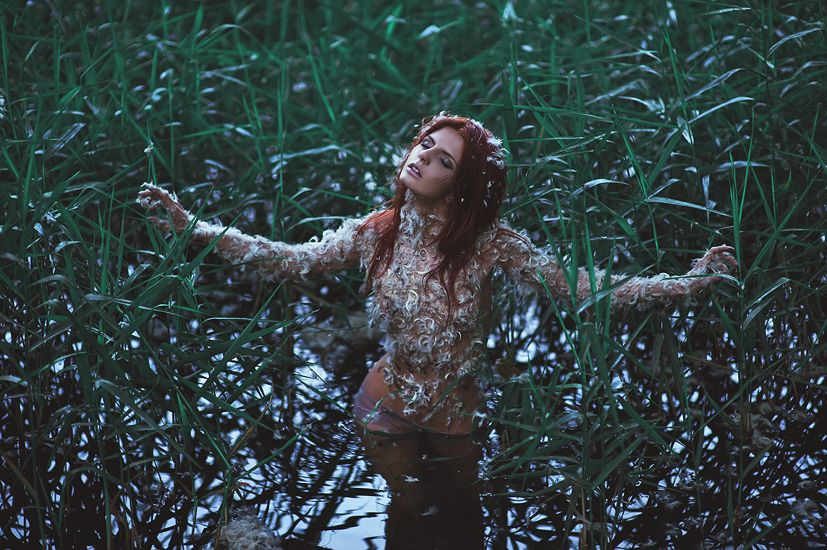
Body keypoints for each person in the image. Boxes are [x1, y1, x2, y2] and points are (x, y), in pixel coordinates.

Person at [136, 111, 737, 547]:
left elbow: (582, 285)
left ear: (462, 184)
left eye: (443, 159)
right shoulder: (378, 230)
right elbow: (291, 259)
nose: (422, 156)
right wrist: (195, 229)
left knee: (465, 515)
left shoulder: (490, 245)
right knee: (408, 504)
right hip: (383, 405)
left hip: (455, 413)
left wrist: (684, 284)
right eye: (425, 144)